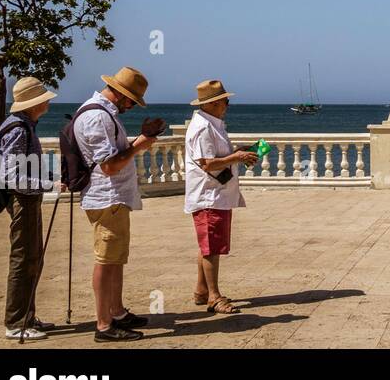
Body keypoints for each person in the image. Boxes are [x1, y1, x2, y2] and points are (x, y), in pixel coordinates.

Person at [75, 66, 165, 342]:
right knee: (106, 260)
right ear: (121, 94)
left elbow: (111, 155)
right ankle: (103, 324)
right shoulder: (97, 118)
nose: (131, 107)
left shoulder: (101, 114)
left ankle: (116, 311)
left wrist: (136, 141)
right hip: (107, 196)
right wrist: (138, 145)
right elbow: (110, 165)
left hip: (113, 197)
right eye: (131, 101)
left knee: (115, 259)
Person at [183, 79, 257, 314]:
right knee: (210, 247)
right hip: (209, 195)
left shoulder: (212, 123)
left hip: (215, 194)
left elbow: (214, 157)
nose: (228, 104)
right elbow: (207, 163)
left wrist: (237, 153)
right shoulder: (203, 127)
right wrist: (237, 158)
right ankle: (214, 297)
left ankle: (202, 290)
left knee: (208, 244)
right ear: (213, 103)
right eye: (225, 100)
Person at [0, 76, 60, 340]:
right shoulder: (19, 129)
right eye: (43, 98)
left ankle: (27, 316)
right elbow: (10, 176)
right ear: (34, 103)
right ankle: (16, 322)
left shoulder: (24, 125)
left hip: (26, 200)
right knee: (24, 259)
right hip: (22, 201)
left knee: (32, 257)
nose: (46, 102)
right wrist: (48, 185)